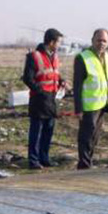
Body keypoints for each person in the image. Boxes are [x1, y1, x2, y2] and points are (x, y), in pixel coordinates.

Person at [22, 28, 64, 170]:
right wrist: (39, 91)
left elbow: (54, 74)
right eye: (58, 42)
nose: (60, 45)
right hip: (39, 101)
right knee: (36, 132)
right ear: (51, 42)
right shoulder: (34, 56)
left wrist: (62, 81)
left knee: (48, 131)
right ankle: (33, 160)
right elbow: (27, 78)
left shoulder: (55, 56)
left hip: (51, 100)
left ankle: (44, 158)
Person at [74, 28, 108, 170]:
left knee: (95, 138)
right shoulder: (83, 58)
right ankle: (83, 165)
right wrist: (78, 108)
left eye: (104, 41)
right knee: (85, 138)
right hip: (88, 106)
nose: (101, 43)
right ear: (92, 41)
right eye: (99, 40)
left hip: (101, 103)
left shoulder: (107, 57)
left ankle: (88, 161)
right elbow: (77, 85)